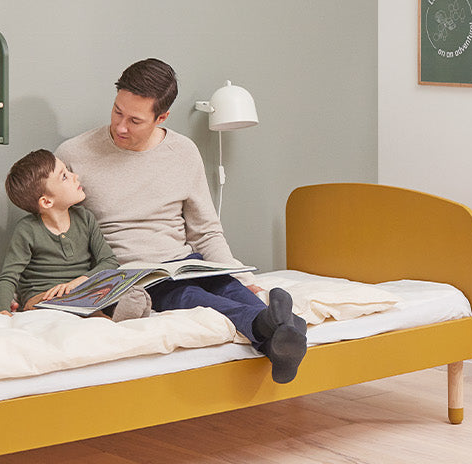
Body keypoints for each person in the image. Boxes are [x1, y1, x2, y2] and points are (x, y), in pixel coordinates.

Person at [56, 58, 307, 384]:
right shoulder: (74, 154)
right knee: (187, 298)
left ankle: (280, 335)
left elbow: (206, 231)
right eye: (118, 112)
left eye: (135, 120)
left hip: (184, 263)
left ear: (162, 117)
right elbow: (54, 228)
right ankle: (278, 331)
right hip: (132, 277)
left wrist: (240, 276)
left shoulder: (183, 152)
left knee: (227, 287)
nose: (120, 127)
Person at [0, 149, 123, 317]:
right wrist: (1, 310)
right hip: (43, 296)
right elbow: (9, 276)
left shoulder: (85, 218)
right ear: (46, 201)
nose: (75, 176)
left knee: (106, 297)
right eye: (64, 176)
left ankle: (115, 311)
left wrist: (79, 282)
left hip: (83, 292)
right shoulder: (27, 230)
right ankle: (104, 316)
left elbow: (109, 262)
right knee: (40, 306)